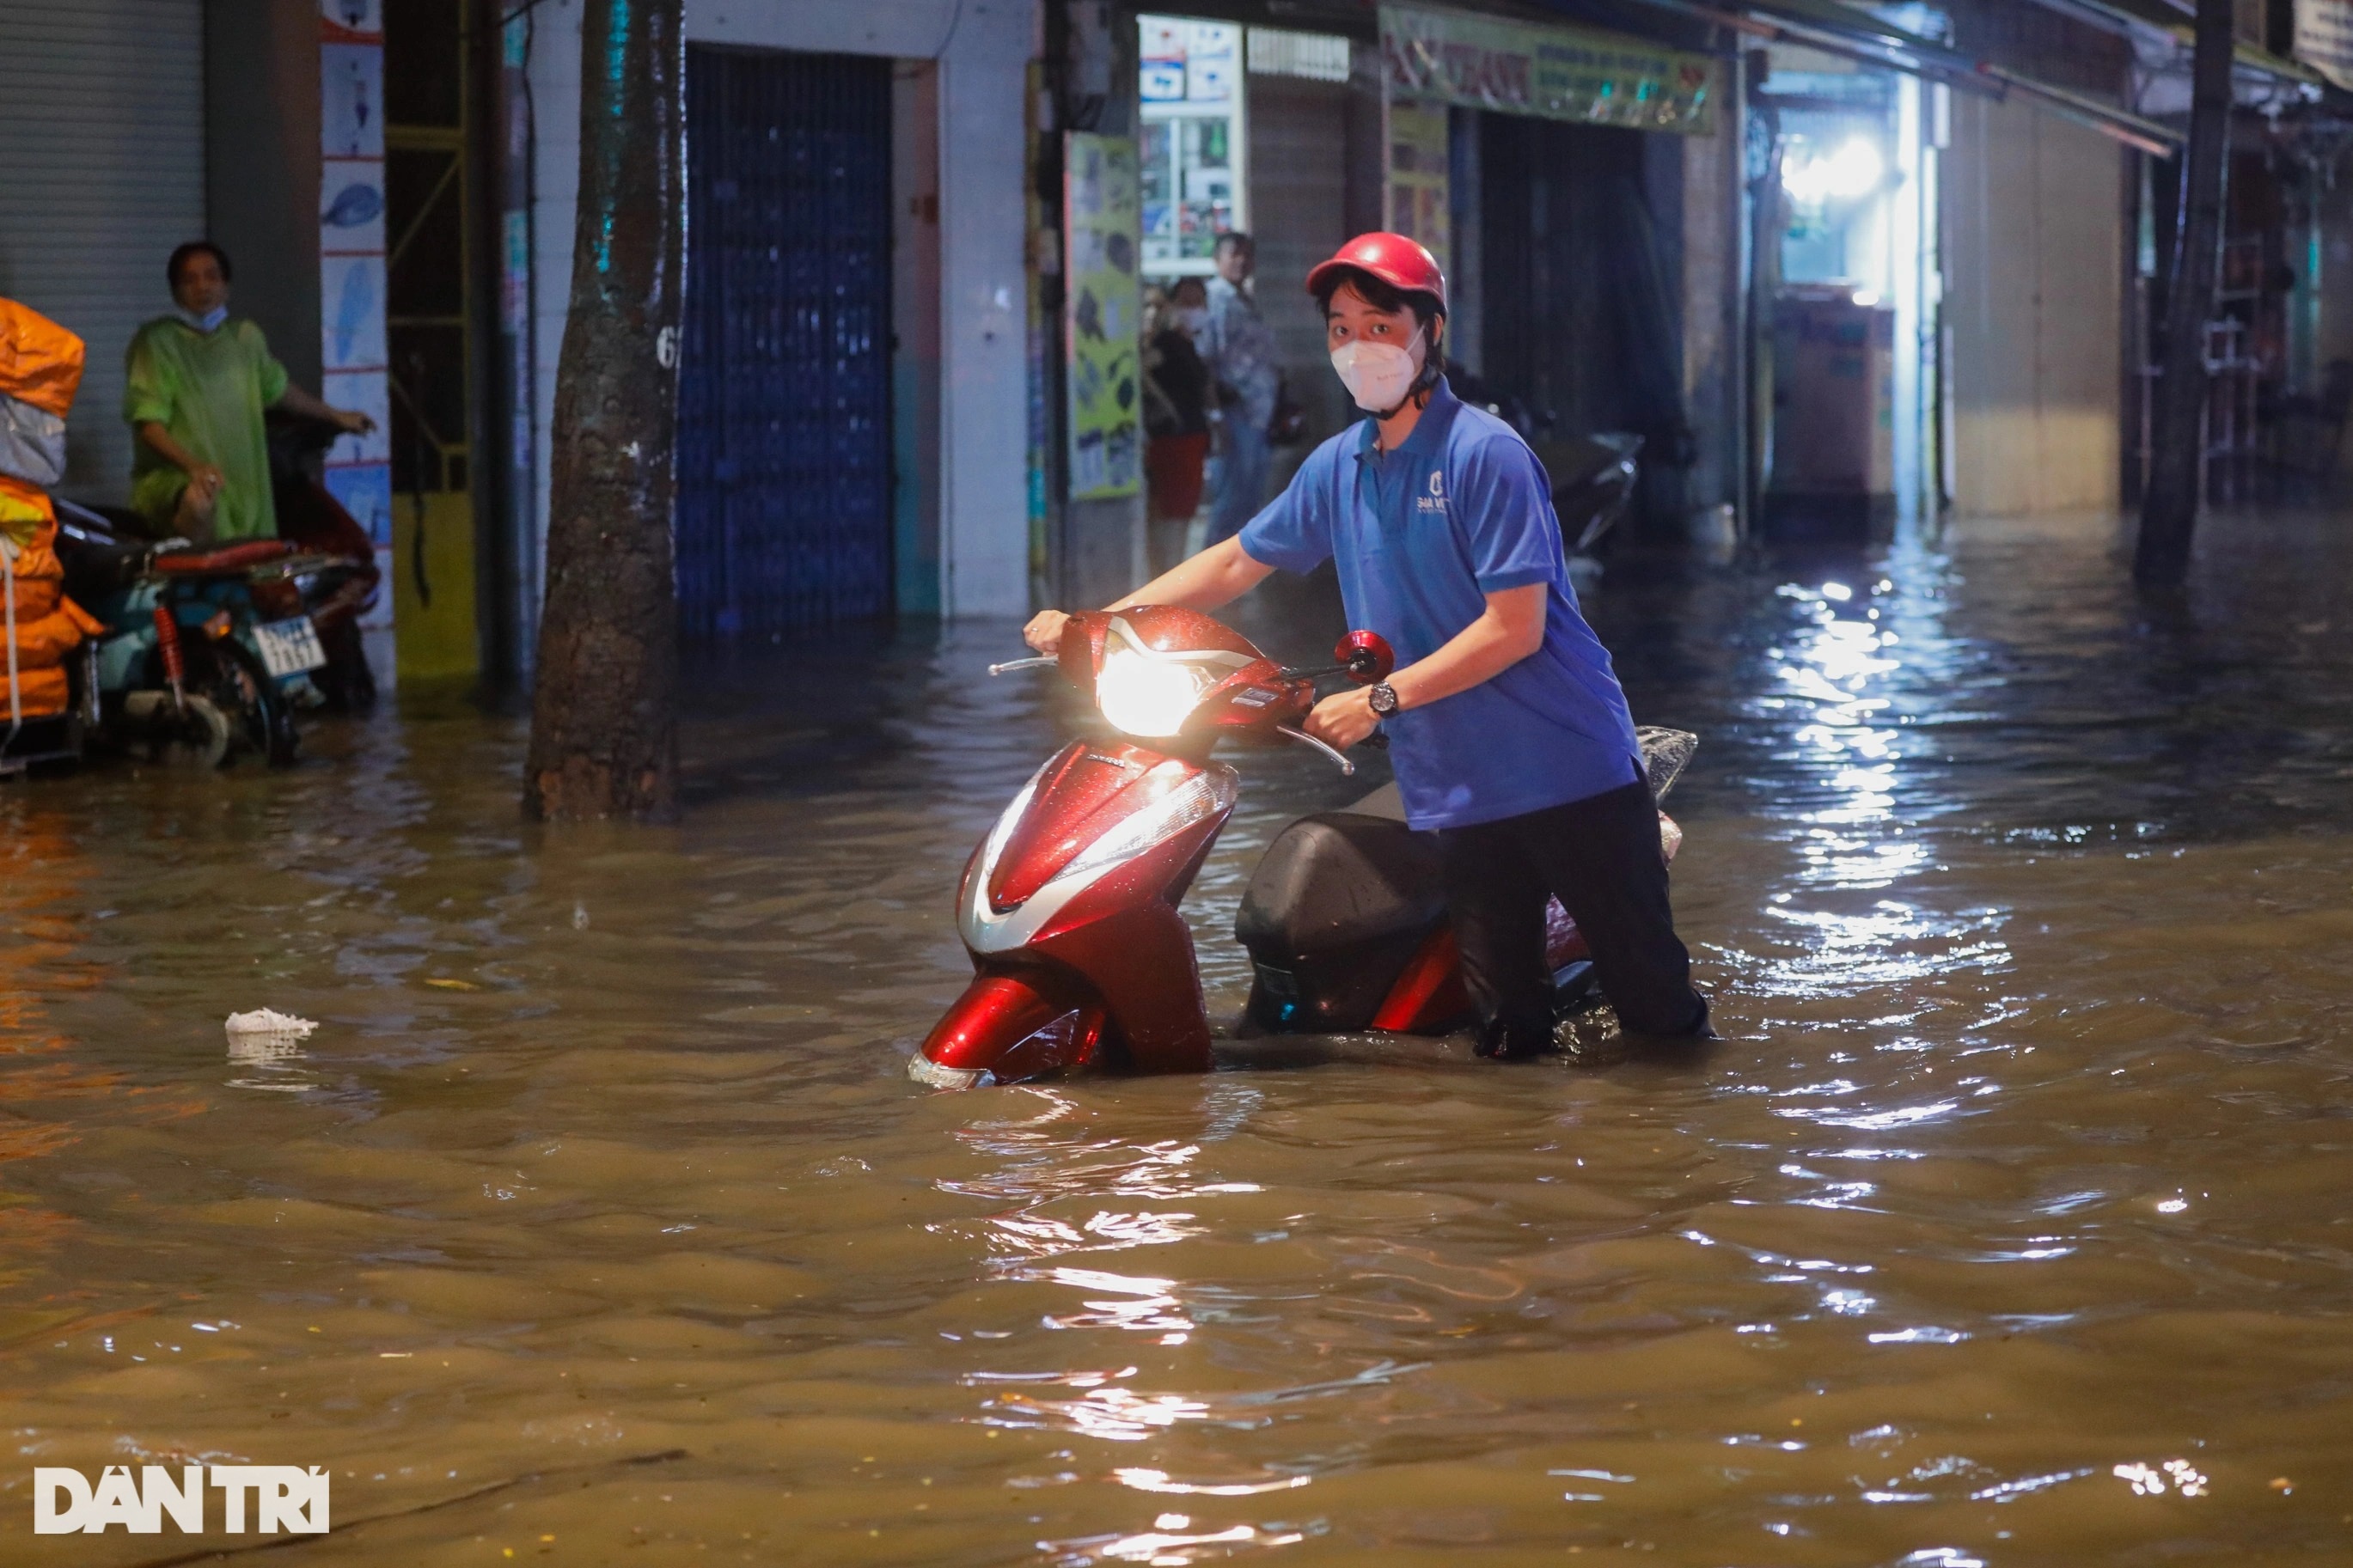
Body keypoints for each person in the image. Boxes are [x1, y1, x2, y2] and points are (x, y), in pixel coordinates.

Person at [1022, 233, 1708, 1059]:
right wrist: (1099, 620)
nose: (1357, 347)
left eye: (1379, 324)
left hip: (1566, 768)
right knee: (1506, 1039)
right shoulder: (1339, 465)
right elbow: (1240, 558)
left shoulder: (1486, 455)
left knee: (1657, 1012)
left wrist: (1382, 697)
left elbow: (1514, 627)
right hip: (1460, 785)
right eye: (1340, 329)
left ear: (1431, 332)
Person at [125, 241, 375, 542]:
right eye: (190, 280)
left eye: (211, 276)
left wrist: (336, 415)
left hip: (244, 483)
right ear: (176, 292)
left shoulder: (245, 337)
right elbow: (148, 425)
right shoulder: (157, 342)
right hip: (178, 481)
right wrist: (194, 468)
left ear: (226, 286)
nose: (202, 286)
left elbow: (281, 391)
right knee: (199, 503)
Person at [1198, 232, 1280, 546]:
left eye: (1247, 254)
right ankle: (1211, 579)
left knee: (1248, 497)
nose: (1241, 261)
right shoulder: (1215, 299)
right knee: (1231, 497)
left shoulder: (1244, 298)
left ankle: (1234, 577)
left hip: (1258, 413)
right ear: (1217, 259)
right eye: (1234, 254)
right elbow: (1207, 358)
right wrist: (1216, 414)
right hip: (1234, 413)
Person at [1142, 276, 1213, 573]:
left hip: (1187, 437)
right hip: (1174, 439)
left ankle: (1170, 579)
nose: (1191, 308)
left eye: (1197, 302)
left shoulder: (1183, 342)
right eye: (1184, 301)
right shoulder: (1165, 343)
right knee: (1172, 515)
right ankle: (1168, 582)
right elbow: (1142, 369)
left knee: (1179, 515)